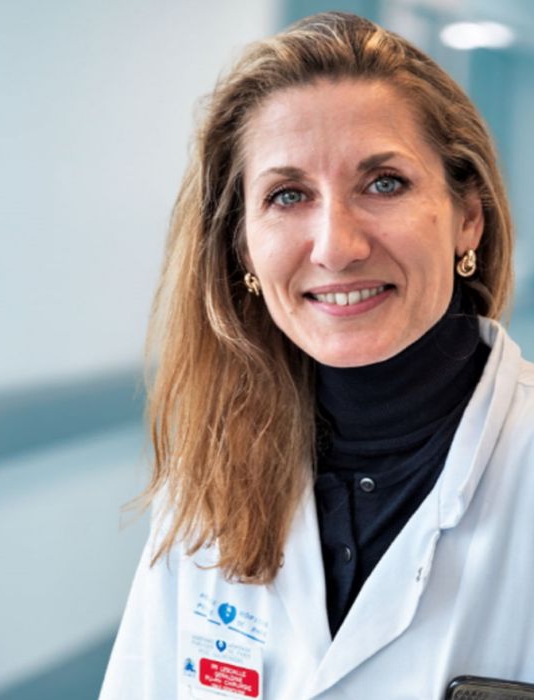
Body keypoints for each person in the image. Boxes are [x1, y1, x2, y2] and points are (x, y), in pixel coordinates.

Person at [100, 11, 534, 699]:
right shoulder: (206, 480)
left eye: (384, 182)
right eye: (289, 195)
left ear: (467, 217)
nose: (336, 246)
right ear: (244, 247)